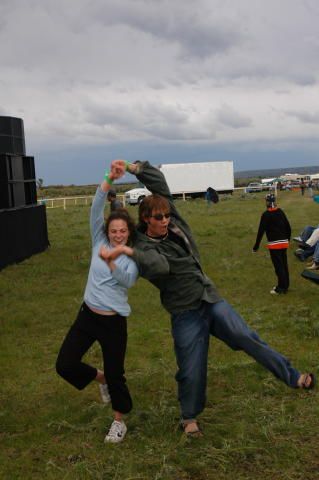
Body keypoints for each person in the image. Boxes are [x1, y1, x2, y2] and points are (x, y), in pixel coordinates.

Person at [100, 159, 316, 437]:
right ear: (145, 219)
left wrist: (132, 167)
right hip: (185, 310)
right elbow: (160, 267)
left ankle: (294, 377)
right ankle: (189, 419)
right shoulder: (141, 245)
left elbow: (158, 183)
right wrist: (128, 252)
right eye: (158, 218)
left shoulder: (173, 221)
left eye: (166, 215)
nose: (164, 220)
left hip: (209, 297)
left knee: (247, 338)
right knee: (191, 367)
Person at [56, 162, 138, 443]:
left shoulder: (131, 256)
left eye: (122, 232)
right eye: (113, 231)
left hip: (114, 322)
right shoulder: (97, 241)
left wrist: (113, 263)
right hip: (88, 315)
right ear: (108, 231)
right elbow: (95, 207)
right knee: (65, 364)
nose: (117, 235)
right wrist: (108, 179)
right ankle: (98, 378)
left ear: (128, 233)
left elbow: (128, 281)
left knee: (118, 375)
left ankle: (119, 422)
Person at [252, 193, 291, 295]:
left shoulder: (266, 215)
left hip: (274, 245)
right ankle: (286, 285)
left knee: (279, 267)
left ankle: (281, 288)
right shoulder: (281, 212)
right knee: (284, 265)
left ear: (267, 202)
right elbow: (288, 227)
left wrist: (256, 247)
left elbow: (261, 231)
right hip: (284, 243)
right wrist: (288, 240)